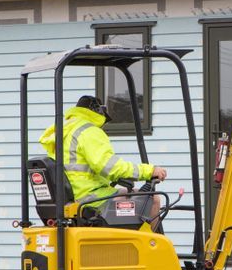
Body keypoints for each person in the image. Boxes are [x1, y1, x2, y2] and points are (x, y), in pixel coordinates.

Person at [39, 95, 167, 226]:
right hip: (91, 198)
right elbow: (111, 168)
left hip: (73, 197)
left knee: (135, 199)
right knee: (152, 199)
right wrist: (149, 171)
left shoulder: (64, 131)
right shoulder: (89, 131)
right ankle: (149, 244)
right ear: (98, 112)